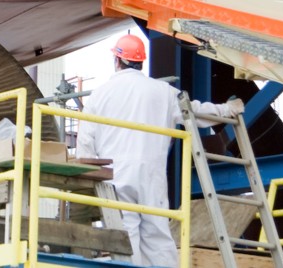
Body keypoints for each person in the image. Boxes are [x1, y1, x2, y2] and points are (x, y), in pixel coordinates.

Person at [76, 34, 245, 267]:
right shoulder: (162, 91)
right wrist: (227, 110)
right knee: (158, 236)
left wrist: (89, 176)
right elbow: (195, 112)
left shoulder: (100, 95)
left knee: (126, 236)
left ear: (117, 60)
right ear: (141, 62)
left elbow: (85, 142)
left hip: (115, 175)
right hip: (151, 174)